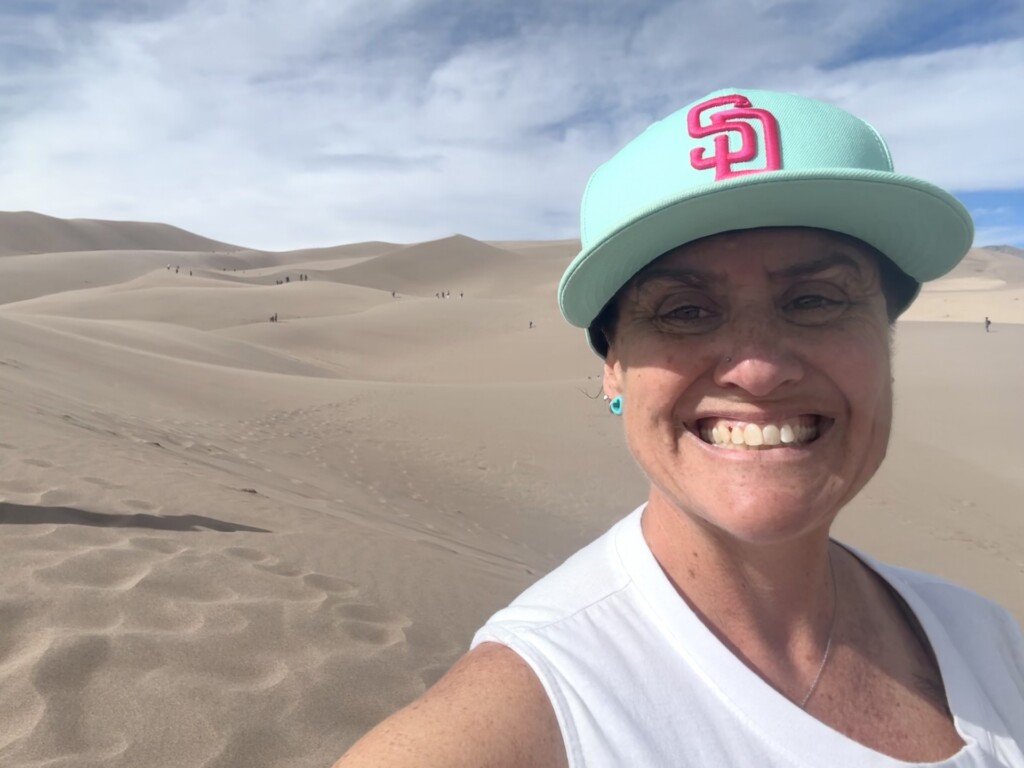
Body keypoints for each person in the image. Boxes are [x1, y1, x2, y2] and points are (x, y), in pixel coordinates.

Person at [334, 88, 1024, 767]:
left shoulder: (984, 637)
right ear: (613, 369)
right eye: (684, 311)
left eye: (817, 300)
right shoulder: (526, 720)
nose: (758, 370)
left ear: (885, 340)